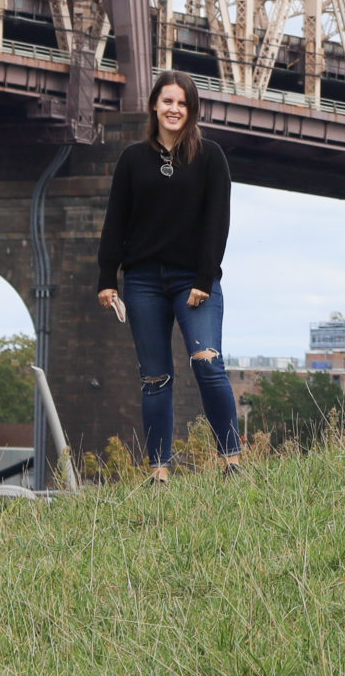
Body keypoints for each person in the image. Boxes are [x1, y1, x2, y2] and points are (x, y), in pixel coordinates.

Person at [95, 69, 242, 480]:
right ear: (154, 106)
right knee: (155, 376)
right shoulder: (132, 159)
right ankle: (158, 472)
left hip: (193, 280)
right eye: (167, 101)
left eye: (182, 102)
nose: (174, 109)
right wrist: (107, 279)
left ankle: (231, 460)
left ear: (191, 109)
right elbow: (115, 222)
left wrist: (203, 277)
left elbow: (218, 223)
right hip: (142, 281)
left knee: (207, 362)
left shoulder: (210, 155)